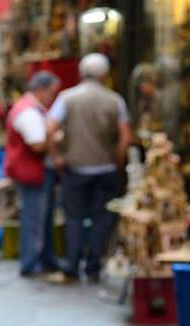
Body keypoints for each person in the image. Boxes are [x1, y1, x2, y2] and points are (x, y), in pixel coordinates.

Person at [48, 53, 133, 283]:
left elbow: (50, 128)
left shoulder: (67, 98)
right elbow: (126, 137)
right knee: (101, 218)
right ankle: (93, 265)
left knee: (74, 217)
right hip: (104, 167)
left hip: (75, 167)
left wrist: (57, 156)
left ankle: (72, 266)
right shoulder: (115, 100)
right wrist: (117, 160)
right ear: (104, 75)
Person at [3, 71, 61, 277]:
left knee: (39, 217)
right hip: (32, 172)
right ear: (42, 90)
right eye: (51, 93)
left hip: (32, 171)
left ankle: (43, 258)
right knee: (34, 218)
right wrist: (54, 139)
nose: (52, 98)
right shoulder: (28, 112)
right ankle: (30, 262)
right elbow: (37, 144)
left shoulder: (30, 109)